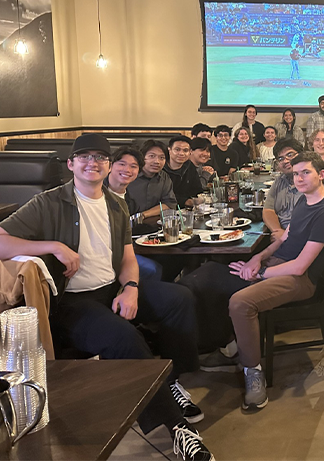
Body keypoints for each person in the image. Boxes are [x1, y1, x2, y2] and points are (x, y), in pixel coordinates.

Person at [0, 134, 213, 461]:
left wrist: (131, 288)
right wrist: (53, 247)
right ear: (71, 164)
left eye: (100, 157)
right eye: (84, 157)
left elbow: (128, 256)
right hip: (72, 301)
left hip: (112, 287)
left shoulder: (117, 204)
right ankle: (176, 427)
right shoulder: (50, 202)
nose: (92, 162)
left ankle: (171, 382)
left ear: (107, 165)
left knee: (179, 298)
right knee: (124, 338)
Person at [181, 152, 324, 411]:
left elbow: (301, 266)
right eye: (296, 173)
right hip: (277, 265)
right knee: (208, 276)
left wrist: (260, 273)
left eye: (306, 172)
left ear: (321, 175)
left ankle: (253, 372)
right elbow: (284, 238)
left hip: (300, 279)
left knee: (240, 302)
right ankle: (228, 343)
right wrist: (258, 258)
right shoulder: (304, 201)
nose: (299, 178)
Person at [262, 138, 324, 243]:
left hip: (307, 240)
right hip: (280, 237)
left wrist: (288, 237)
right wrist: (278, 231)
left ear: (301, 154)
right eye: (280, 158)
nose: (286, 160)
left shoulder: (319, 178)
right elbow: (268, 210)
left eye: (290, 155)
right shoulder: (279, 181)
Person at [105, 146, 163, 282]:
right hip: (107, 254)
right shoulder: (98, 194)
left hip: (127, 248)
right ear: (110, 166)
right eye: (122, 164)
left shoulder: (129, 200)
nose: (127, 170)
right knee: (152, 268)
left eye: (133, 166)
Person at [126, 140, 177, 219]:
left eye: (161, 158)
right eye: (151, 156)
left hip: (154, 225)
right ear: (141, 157)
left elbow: (169, 204)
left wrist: (143, 215)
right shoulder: (128, 175)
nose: (157, 161)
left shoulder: (164, 177)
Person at [163, 135, 204, 208]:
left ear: (190, 152)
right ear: (169, 150)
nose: (181, 153)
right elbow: (163, 196)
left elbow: (197, 190)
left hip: (188, 210)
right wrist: (185, 201)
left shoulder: (189, 165)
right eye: (177, 149)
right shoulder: (162, 169)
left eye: (185, 150)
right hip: (167, 210)